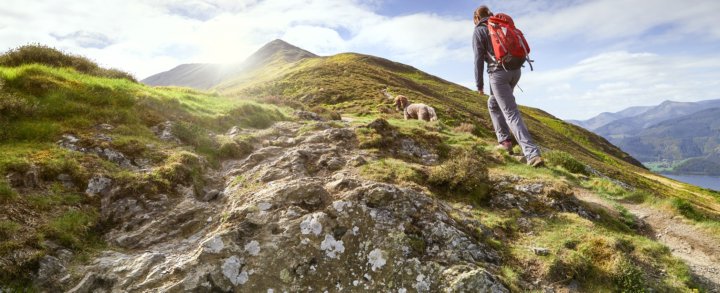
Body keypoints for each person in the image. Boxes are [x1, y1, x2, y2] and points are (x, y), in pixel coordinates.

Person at [472, 5, 544, 167]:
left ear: (476, 18)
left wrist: (479, 85)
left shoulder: (479, 30)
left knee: (510, 113)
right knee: (493, 103)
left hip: (498, 74)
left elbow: (478, 59)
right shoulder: (500, 25)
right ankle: (505, 143)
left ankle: (532, 154)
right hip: (515, 70)